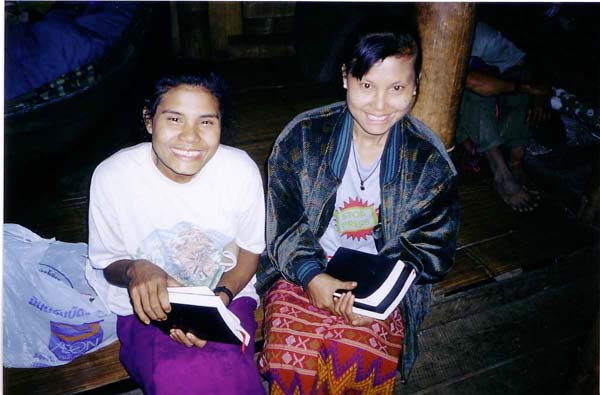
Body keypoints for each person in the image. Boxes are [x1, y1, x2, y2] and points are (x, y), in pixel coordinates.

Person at [257, 18, 459, 394]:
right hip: (302, 267)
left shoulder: (428, 162)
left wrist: (378, 303)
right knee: (291, 356)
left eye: (397, 87)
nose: (380, 105)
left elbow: (433, 251)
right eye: (367, 85)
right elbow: (284, 225)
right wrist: (311, 276)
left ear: (415, 87)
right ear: (346, 77)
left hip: (384, 283)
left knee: (357, 358)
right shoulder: (303, 138)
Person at [86, 63, 266, 395]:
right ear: (148, 119)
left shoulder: (239, 171)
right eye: (174, 119)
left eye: (206, 122)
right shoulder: (113, 177)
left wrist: (217, 303)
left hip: (227, 294)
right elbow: (108, 262)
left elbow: (250, 251)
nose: (190, 137)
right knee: (174, 374)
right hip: (145, 308)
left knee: (228, 368)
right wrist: (136, 268)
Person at [456, 21, 552, 212]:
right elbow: (473, 82)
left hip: (488, 103)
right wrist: (528, 89)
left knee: (520, 77)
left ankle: (515, 161)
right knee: (474, 91)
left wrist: (538, 94)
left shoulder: (477, 33)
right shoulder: (431, 34)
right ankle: (501, 173)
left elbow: (525, 65)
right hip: (452, 115)